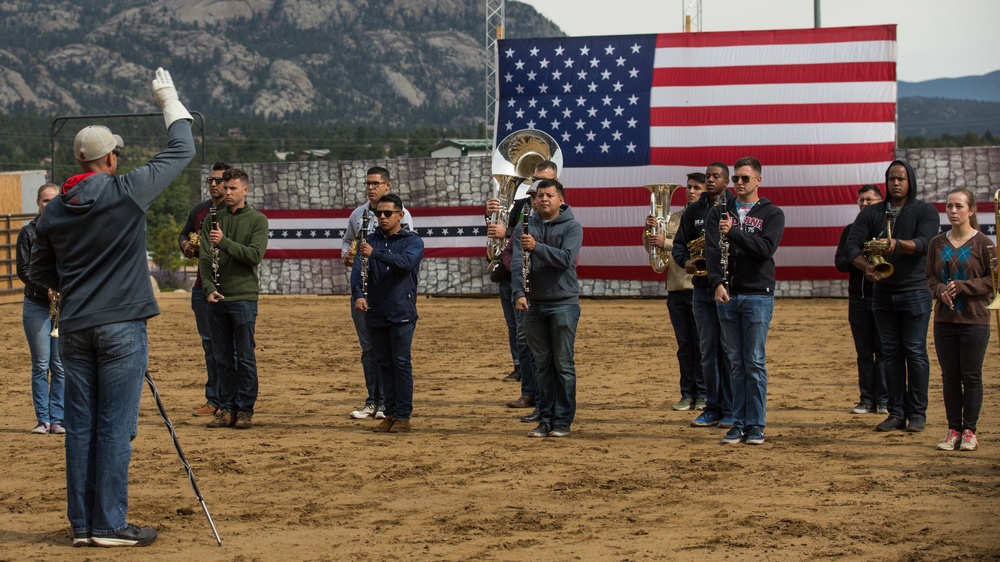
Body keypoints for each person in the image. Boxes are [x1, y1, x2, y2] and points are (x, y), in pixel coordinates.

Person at [30, 67, 195, 547]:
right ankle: (109, 524)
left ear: (80, 159)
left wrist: (73, 283)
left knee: (79, 426)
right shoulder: (126, 192)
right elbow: (182, 149)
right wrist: (168, 98)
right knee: (115, 427)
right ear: (109, 159)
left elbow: (39, 271)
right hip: (121, 324)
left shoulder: (54, 209)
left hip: (76, 326)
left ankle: (83, 525)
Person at [846, 159, 939, 433]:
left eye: (901, 178)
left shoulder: (925, 211)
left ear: (911, 181)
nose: (896, 183)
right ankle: (896, 413)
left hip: (915, 292)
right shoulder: (872, 213)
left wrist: (896, 244)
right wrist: (869, 269)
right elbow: (852, 246)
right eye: (891, 179)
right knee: (891, 354)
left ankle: (917, 414)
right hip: (882, 293)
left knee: (915, 352)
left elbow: (925, 244)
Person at [706, 156, 785, 445]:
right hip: (727, 294)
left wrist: (736, 232)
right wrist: (716, 282)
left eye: (745, 178)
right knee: (736, 363)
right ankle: (737, 422)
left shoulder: (772, 213)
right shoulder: (719, 212)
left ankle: (756, 424)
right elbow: (713, 253)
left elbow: (765, 249)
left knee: (754, 361)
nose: (739, 183)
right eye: (736, 178)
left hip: (757, 295)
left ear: (758, 181)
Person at [512, 179, 583, 438]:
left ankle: (563, 420)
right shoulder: (524, 226)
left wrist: (537, 247)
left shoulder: (573, 227)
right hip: (533, 305)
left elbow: (565, 258)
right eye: (539, 195)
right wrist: (518, 293)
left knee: (562, 365)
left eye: (549, 195)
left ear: (560, 200)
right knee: (541, 365)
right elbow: (519, 263)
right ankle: (545, 417)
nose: (543, 199)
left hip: (563, 304)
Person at [343, 166, 414, 420]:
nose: (371, 187)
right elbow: (348, 242)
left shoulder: (405, 223)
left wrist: (375, 254)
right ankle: (373, 400)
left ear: (387, 185)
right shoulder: (358, 215)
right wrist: (348, 255)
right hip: (367, 294)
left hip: (393, 298)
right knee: (369, 349)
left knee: (396, 357)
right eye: (368, 183)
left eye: (376, 183)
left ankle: (391, 406)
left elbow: (405, 256)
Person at [487, 160, 558, 412]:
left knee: (539, 343)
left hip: (542, 287)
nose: (539, 191)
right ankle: (529, 390)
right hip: (513, 281)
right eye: (535, 182)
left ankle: (544, 398)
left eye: (546, 186)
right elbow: (506, 248)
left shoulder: (559, 216)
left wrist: (508, 233)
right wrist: (492, 216)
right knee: (519, 335)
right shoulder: (519, 206)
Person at [926, 188, 993, 451]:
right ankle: (953, 429)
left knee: (971, 376)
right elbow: (929, 276)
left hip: (975, 319)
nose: (953, 211)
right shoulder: (936, 243)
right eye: (949, 206)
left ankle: (970, 432)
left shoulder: (985, 244)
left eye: (959, 207)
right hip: (944, 320)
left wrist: (964, 286)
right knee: (950, 377)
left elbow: (993, 280)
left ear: (971, 210)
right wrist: (940, 290)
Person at [202, 167, 269, 430]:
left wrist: (225, 242)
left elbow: (254, 255)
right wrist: (208, 287)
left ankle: (245, 410)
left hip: (243, 297)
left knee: (244, 356)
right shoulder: (212, 218)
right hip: (216, 297)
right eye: (224, 187)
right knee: (222, 357)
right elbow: (205, 258)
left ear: (245, 190)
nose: (227, 192)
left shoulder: (257, 220)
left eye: (232, 188)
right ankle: (227, 409)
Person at [352, 194, 424, 433]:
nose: (381, 217)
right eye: (378, 213)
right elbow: (357, 273)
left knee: (401, 363)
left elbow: (405, 263)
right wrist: (359, 294)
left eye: (387, 213)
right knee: (383, 364)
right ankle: (389, 413)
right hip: (375, 311)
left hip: (401, 311)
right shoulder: (369, 240)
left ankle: (403, 415)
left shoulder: (412, 241)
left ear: (400, 215)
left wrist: (376, 254)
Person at [672, 162, 734, 428]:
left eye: (715, 176)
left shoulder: (736, 207)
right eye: (707, 176)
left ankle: (732, 408)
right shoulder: (693, 211)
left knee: (729, 351)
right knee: (708, 351)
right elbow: (679, 245)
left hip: (730, 289)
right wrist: (685, 261)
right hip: (701, 287)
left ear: (726, 181)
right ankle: (712, 406)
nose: (710, 180)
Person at [646, 173, 705, 411]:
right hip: (676, 289)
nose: (690, 191)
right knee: (684, 346)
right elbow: (656, 252)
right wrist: (649, 232)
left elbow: (697, 246)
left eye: (696, 188)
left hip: (698, 287)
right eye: (689, 187)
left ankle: (703, 393)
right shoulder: (674, 217)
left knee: (702, 345)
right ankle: (686, 393)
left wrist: (666, 243)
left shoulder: (706, 216)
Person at [179, 161, 230, 417]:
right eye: (210, 180)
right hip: (201, 288)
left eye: (219, 180)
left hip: (230, 289)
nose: (213, 184)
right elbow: (183, 234)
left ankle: (232, 400)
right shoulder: (199, 211)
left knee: (230, 347)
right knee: (210, 345)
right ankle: (213, 399)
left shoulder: (237, 212)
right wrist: (186, 245)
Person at [17, 183, 66, 435]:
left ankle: (58, 418)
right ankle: (43, 419)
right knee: (41, 364)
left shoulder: (69, 231)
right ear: (38, 203)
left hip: (63, 307)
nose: (49, 204)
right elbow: (24, 271)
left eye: (54, 200)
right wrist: (47, 285)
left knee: (59, 366)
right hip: (37, 306)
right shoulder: (27, 233)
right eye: (45, 201)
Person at [834, 185, 888, 415]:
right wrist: (861, 259)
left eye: (870, 200)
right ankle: (866, 400)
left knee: (884, 352)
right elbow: (840, 263)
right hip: (858, 299)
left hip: (884, 299)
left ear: (880, 202)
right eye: (861, 200)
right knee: (864, 352)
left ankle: (885, 400)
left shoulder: (889, 231)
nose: (865, 204)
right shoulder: (850, 231)